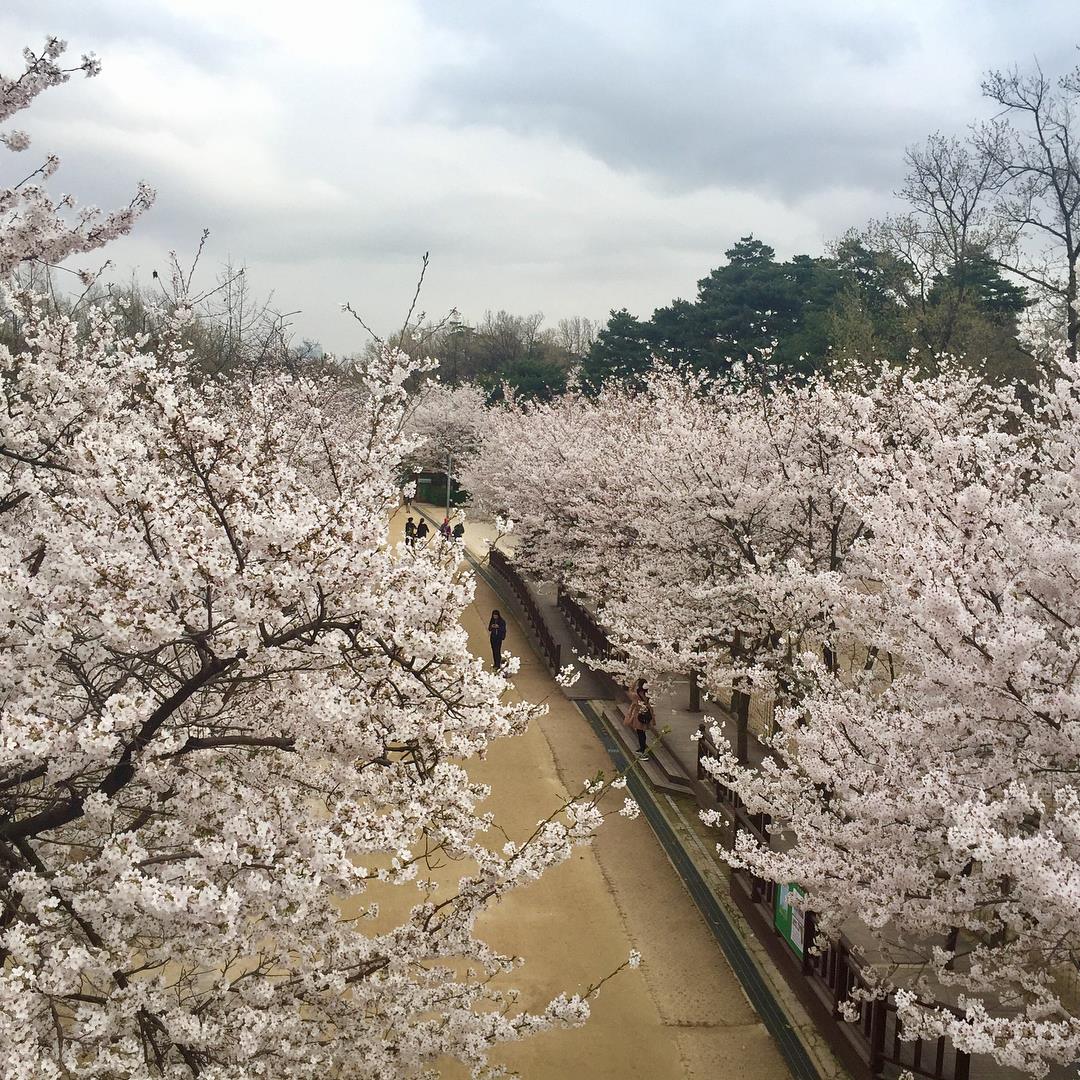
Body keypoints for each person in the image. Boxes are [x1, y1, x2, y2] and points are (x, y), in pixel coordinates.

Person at [623, 678, 654, 754]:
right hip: (645, 713)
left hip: (638, 715)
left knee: (640, 732)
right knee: (642, 732)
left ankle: (642, 749)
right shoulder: (647, 695)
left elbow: (630, 690)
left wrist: (635, 681)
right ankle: (643, 747)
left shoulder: (636, 695)